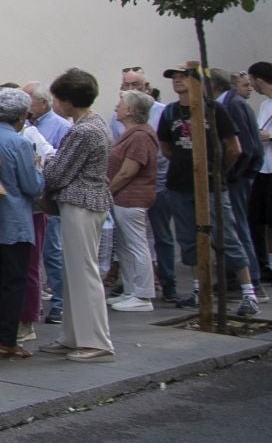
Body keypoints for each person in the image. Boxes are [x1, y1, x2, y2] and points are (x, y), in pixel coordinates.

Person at [155, 64, 252, 313]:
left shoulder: (214, 109)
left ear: (197, 82)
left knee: (226, 236)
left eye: (182, 77)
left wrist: (217, 173)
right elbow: (166, 146)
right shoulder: (170, 112)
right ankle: (200, 289)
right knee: (189, 240)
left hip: (211, 186)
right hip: (179, 186)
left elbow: (234, 147)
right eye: (174, 78)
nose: (177, 81)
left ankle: (249, 292)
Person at [39, 69, 117, 360]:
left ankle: (96, 340)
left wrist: (44, 163)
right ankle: (73, 335)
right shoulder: (93, 123)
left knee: (83, 271)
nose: (55, 103)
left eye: (57, 98)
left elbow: (58, 173)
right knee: (76, 271)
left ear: (68, 101)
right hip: (86, 202)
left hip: (81, 203)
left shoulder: (83, 131)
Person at [0, 88, 43, 358]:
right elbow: (32, 185)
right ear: (22, 115)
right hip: (15, 221)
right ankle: (6, 339)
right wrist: (40, 171)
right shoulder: (20, 143)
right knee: (14, 281)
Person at [104, 90, 160, 312]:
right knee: (125, 246)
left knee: (136, 244)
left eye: (120, 103)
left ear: (130, 110)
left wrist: (107, 191)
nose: (116, 107)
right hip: (123, 199)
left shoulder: (139, 136)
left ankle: (143, 295)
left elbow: (128, 172)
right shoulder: (133, 133)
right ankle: (130, 290)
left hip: (132, 198)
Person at [212, 68, 265, 299]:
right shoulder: (233, 103)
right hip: (241, 175)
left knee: (237, 226)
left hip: (237, 178)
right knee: (234, 226)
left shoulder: (231, 105)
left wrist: (232, 174)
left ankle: (251, 281)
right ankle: (236, 279)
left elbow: (246, 148)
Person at [23, 82, 73, 325]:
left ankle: (60, 304)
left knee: (52, 251)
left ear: (42, 102)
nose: (24, 104)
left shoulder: (61, 126)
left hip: (47, 197)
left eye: (27, 99)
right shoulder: (29, 126)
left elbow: (58, 159)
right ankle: (38, 304)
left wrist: (42, 171)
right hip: (32, 202)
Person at [248, 62, 272, 282]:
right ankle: (262, 264)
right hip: (263, 169)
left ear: (259, 79)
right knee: (255, 217)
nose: (251, 85)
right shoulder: (265, 104)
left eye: (251, 80)